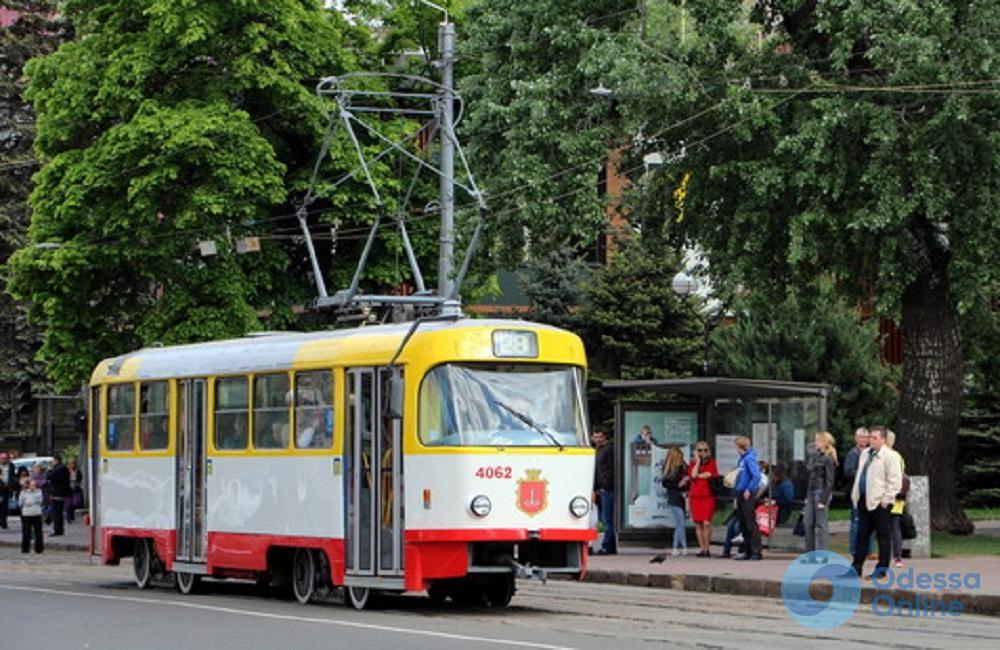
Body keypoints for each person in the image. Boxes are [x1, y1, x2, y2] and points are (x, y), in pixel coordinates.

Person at [850, 426, 903, 579]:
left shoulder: (890, 456)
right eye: (869, 437)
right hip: (864, 498)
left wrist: (886, 499)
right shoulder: (866, 454)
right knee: (862, 534)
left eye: (874, 438)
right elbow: (860, 474)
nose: (870, 440)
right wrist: (856, 494)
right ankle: (856, 566)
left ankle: (881, 569)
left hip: (880, 501)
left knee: (883, 535)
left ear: (883, 440)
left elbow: (894, 480)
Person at [804, 432, 838, 554]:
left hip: (821, 491)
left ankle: (823, 552)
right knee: (808, 522)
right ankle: (810, 552)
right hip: (812, 491)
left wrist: (823, 499)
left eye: (818, 441)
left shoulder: (828, 458)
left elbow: (829, 481)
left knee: (821, 524)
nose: (816, 443)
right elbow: (810, 476)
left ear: (824, 442)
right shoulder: (815, 456)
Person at [843, 427, 872, 556]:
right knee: (856, 521)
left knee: (869, 522)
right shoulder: (853, 454)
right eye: (862, 437)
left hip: (869, 492)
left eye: (866, 437)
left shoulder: (871, 453)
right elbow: (848, 471)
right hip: (857, 492)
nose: (864, 440)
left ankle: (868, 550)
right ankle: (854, 549)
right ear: (856, 438)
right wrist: (862, 474)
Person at [733, 436, 762, 560]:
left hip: (747, 493)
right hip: (740, 491)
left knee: (750, 522)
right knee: (743, 523)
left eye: (736, 446)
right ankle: (747, 549)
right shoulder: (742, 459)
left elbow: (756, 476)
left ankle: (756, 551)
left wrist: (749, 489)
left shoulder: (749, 459)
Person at [687, 442, 719, 556]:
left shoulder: (712, 462)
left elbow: (710, 474)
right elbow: (693, 475)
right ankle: (702, 549)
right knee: (698, 524)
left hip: (708, 496)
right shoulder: (692, 464)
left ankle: (707, 548)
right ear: (696, 452)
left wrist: (699, 475)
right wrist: (698, 462)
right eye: (700, 450)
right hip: (695, 497)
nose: (703, 452)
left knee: (706, 523)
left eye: (705, 450)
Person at [660, 446, 689, 556]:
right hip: (673, 496)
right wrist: (678, 484)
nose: (680, 458)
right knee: (680, 521)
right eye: (679, 456)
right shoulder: (668, 467)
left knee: (680, 523)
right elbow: (665, 483)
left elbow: (688, 480)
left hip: (683, 496)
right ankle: (683, 546)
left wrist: (685, 483)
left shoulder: (683, 465)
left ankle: (676, 547)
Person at [592, 429, 616, 555]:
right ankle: (610, 546)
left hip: (606, 488)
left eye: (600, 436)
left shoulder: (608, 449)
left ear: (605, 437)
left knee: (607, 519)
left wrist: (604, 486)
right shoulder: (597, 449)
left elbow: (610, 470)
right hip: (600, 488)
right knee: (603, 518)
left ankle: (607, 547)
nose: (597, 439)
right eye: (595, 437)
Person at [885, 430, 907, 568]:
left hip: (890, 494)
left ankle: (894, 556)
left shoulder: (890, 456)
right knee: (895, 526)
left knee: (891, 526)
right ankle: (897, 556)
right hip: (898, 495)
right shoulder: (898, 456)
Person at [47, 454, 70, 536]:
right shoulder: (65, 468)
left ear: (56, 460)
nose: (52, 463)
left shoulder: (58, 469)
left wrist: (49, 470)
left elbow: (49, 476)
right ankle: (60, 529)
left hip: (57, 493)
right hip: (63, 492)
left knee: (56, 513)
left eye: (53, 461)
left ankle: (57, 530)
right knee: (59, 512)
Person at [19, 479, 44, 554]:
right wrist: (27, 503)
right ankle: (25, 548)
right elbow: (20, 502)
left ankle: (39, 549)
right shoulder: (23, 493)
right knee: (26, 531)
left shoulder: (39, 492)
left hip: (36, 513)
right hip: (26, 514)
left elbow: (40, 501)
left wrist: (31, 502)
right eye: (32, 485)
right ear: (28, 485)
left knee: (38, 532)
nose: (33, 486)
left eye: (34, 485)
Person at [65, 459, 84, 524]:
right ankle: (69, 518)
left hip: (76, 488)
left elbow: (80, 478)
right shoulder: (66, 471)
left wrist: (76, 482)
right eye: (70, 464)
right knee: (68, 504)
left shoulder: (77, 471)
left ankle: (72, 514)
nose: (72, 465)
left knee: (76, 503)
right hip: (68, 489)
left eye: (73, 464)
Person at [0, 451, 15, 529]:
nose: (4, 460)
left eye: (5, 458)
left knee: (5, 507)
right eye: (2, 458)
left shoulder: (11, 466)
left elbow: (12, 477)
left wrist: (11, 485)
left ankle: (4, 523)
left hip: (7, 489)